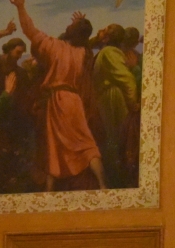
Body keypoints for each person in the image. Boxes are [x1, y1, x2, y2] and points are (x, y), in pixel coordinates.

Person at [10, 0, 106, 192]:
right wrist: (82, 26)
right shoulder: (82, 52)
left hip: (58, 100)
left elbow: (29, 29)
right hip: (74, 100)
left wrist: (21, 7)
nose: (67, 27)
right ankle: (103, 185)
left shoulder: (55, 46)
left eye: (70, 26)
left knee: (53, 145)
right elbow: (86, 39)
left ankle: (49, 189)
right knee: (85, 142)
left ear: (71, 32)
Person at [92, 24, 139, 188]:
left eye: (104, 31)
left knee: (117, 138)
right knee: (113, 138)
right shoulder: (108, 52)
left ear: (108, 38)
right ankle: (116, 178)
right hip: (109, 99)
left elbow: (127, 80)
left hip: (114, 99)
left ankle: (119, 178)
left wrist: (133, 103)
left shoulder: (109, 52)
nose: (101, 32)